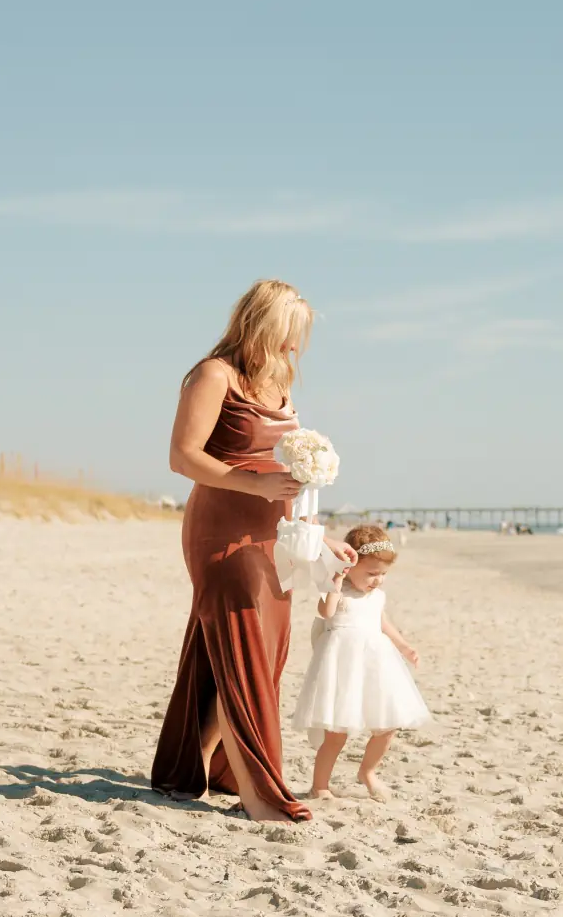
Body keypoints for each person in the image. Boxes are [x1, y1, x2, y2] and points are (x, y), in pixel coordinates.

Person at [151, 281, 350, 822]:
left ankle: (191, 770)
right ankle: (258, 791)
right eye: (289, 333)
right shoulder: (213, 375)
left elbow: (293, 474)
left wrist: (318, 537)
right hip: (221, 528)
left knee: (255, 653)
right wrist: (254, 484)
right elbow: (183, 457)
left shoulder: (279, 382)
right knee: (244, 651)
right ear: (260, 324)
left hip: (276, 537)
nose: (294, 347)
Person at [293, 525, 430, 799]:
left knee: (387, 725)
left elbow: (383, 624)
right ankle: (320, 786)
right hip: (343, 666)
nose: (378, 580)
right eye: (371, 573)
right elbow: (326, 612)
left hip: (375, 664)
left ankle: (367, 771)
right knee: (337, 732)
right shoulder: (337, 589)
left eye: (383, 574)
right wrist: (335, 580)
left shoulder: (377, 596)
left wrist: (404, 647)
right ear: (349, 564)